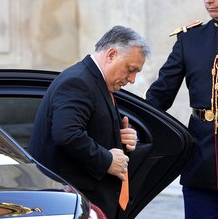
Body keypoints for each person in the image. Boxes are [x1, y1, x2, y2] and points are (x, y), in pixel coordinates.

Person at [145, 0, 218, 218]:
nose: (209, 1)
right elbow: (159, 96)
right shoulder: (189, 39)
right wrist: (131, 125)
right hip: (201, 167)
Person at [28, 25, 150, 219]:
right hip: (73, 202)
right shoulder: (78, 82)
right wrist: (107, 160)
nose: (132, 79)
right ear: (111, 54)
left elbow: (91, 126)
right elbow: (67, 134)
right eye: (130, 69)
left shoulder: (96, 81)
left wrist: (122, 136)